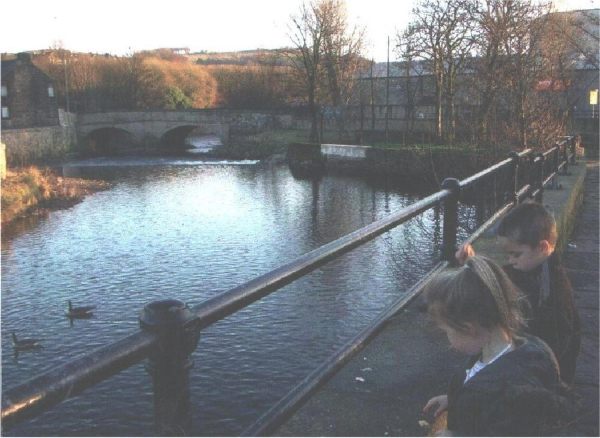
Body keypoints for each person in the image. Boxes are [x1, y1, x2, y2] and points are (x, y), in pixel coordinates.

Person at [422, 256, 574, 436]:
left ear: (467, 328)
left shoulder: (507, 393)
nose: (447, 338)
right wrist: (455, 400)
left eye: (447, 331)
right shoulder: (533, 348)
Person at [456, 202, 581, 385]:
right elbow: (503, 278)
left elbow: (554, 350)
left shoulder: (554, 294)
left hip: (539, 382)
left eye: (516, 255)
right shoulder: (533, 269)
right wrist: (474, 264)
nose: (510, 261)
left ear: (543, 247)